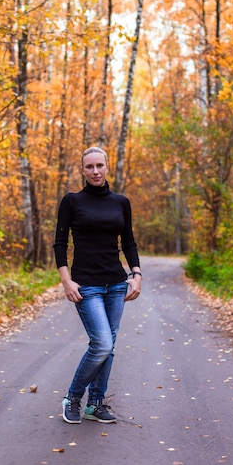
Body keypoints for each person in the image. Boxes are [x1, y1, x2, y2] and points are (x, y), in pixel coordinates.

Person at [53, 146, 142, 424]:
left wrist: (136, 274)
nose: (95, 171)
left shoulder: (121, 202)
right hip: (86, 285)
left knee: (109, 346)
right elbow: (59, 243)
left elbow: (128, 240)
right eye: (89, 167)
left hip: (116, 284)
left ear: (107, 167)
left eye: (99, 166)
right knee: (102, 344)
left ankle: (95, 404)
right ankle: (73, 397)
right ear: (82, 170)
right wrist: (66, 281)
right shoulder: (72, 201)